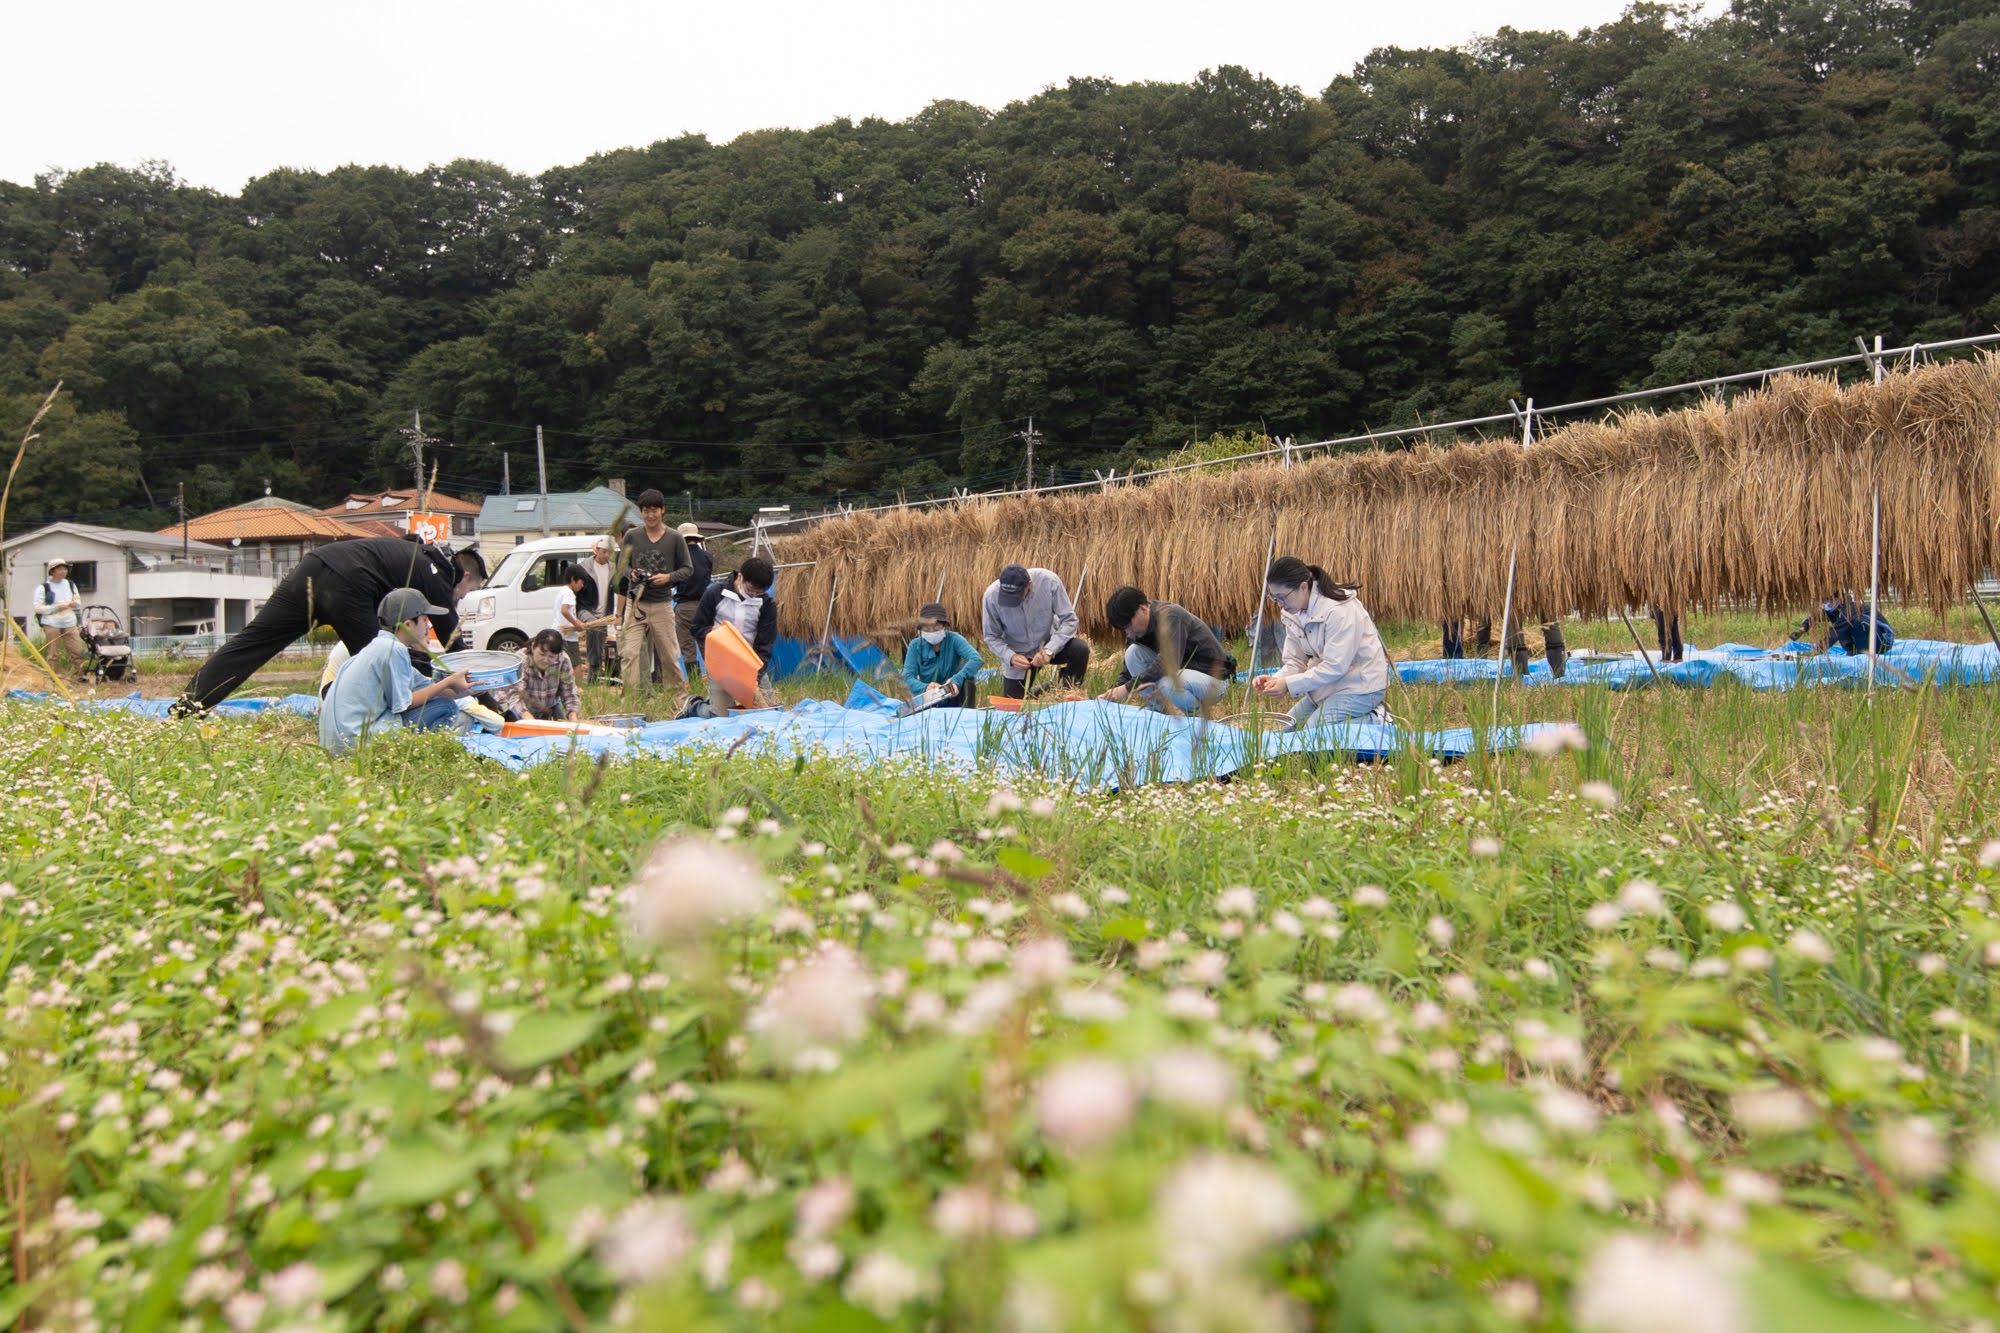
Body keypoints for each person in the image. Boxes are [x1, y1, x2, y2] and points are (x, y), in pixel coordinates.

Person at [173, 536, 471, 717]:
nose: (457, 598)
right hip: (349, 584)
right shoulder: (435, 574)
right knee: (380, 663)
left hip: (312, 568)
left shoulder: (407, 557)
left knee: (252, 643)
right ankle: (349, 718)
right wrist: (487, 698)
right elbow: (454, 647)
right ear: (461, 577)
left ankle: (185, 711)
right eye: (462, 591)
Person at [318, 588, 474, 754]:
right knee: (447, 707)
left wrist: (471, 688)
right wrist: (448, 681)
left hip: (335, 744)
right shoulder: (393, 650)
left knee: (443, 701)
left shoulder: (378, 647)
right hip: (356, 743)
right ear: (408, 625)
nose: (428, 626)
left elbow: (428, 687)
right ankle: (421, 756)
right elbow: (404, 705)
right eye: (424, 619)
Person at [1250, 556, 1391, 727]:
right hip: (1327, 687)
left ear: (1303, 587)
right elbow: (1295, 661)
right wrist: (1276, 679)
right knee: (1283, 728)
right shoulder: (1291, 613)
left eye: (1282, 597)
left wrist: (1288, 684)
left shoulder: (1339, 610)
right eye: (1274, 598)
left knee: (1313, 734)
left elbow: (1335, 666)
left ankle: (1376, 720)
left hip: (1361, 686)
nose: (1280, 604)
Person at [1101, 585, 1235, 714]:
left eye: (1129, 625)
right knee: (1132, 653)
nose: (1128, 631)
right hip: (1182, 674)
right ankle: (1159, 712)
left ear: (1143, 609)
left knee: (1169, 683)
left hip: (1213, 679)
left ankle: (1197, 719)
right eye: (1124, 628)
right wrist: (1112, 694)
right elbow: (1127, 673)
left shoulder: (1171, 616)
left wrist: (1127, 688)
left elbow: (1168, 663)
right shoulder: (1135, 632)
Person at [619, 490, 693, 693]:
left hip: (662, 603)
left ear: (662, 510)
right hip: (636, 604)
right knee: (629, 653)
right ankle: (631, 700)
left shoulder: (675, 537)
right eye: (645, 511)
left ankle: (678, 699)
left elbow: (688, 569)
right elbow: (621, 566)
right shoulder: (632, 536)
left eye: (654, 510)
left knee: (669, 654)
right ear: (640, 513)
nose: (650, 515)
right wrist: (631, 573)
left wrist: (668, 577)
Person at [981, 563, 1088, 699]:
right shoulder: (991, 596)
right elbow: (991, 636)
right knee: (1013, 708)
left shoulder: (1049, 582)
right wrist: (1011, 657)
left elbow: (1069, 620)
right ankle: (1038, 693)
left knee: (1080, 649)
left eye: (1017, 597)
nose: (1015, 602)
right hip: (1017, 654)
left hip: (1047, 643)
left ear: (1029, 586)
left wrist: (1049, 650)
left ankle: (1063, 694)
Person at [690, 556, 777, 715]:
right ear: (740, 577)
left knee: (767, 711)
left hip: (750, 662)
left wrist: (755, 676)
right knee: (721, 715)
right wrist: (711, 632)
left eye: (759, 593)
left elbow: (765, 644)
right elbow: (696, 627)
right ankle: (695, 707)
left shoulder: (767, 604)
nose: (753, 595)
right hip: (721, 662)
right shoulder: (715, 594)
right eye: (750, 590)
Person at [901, 602, 983, 709]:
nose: (931, 632)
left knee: (967, 682)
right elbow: (907, 677)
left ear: (944, 626)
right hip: (928, 700)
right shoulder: (915, 646)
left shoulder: (954, 639)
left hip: (954, 696)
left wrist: (956, 680)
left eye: (936, 628)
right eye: (926, 629)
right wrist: (925, 687)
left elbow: (976, 659)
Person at [501, 629, 582, 721]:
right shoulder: (521, 661)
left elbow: (569, 693)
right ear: (533, 647)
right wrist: (528, 718)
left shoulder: (563, 660)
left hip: (549, 706)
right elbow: (515, 696)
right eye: (542, 654)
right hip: (518, 708)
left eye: (551, 657)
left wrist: (573, 716)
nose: (545, 660)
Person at [671, 521, 714, 680]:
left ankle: (695, 682)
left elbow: (673, 581)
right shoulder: (707, 557)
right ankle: (714, 682)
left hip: (685, 605)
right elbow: (708, 578)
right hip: (704, 606)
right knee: (706, 646)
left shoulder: (678, 558)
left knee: (688, 648)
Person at [32, 558, 87, 675]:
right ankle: (54, 676)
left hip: (69, 622)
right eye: (60, 569)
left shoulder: (70, 585)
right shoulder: (43, 588)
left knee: (77, 650)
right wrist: (57, 607)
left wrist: (73, 604)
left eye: (65, 569)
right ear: (52, 571)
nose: (63, 571)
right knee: (53, 653)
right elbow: (38, 608)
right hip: (51, 623)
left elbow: (78, 601)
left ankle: (80, 675)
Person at [1801, 596, 1895, 654]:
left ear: (1837, 599)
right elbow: (1815, 616)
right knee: (1843, 627)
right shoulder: (1835, 610)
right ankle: (1854, 652)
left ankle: (1863, 653)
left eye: (1826, 601)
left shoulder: (1850, 609)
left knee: (1852, 624)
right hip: (1867, 638)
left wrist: (1817, 650)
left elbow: (1834, 634)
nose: (1824, 604)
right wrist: (1803, 628)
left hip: (1883, 641)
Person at [584, 536, 618, 683]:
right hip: (591, 612)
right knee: (592, 645)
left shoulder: (612, 567)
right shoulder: (586, 567)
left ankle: (596, 677)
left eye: (608, 552)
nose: (606, 555)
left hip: (605, 613)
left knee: (601, 642)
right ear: (596, 550)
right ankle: (592, 677)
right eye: (603, 552)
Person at [552, 563, 595, 666]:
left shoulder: (563, 591)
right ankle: (578, 683)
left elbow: (568, 613)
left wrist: (578, 622)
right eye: (581, 582)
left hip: (558, 634)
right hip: (568, 637)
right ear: (573, 579)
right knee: (575, 665)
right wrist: (576, 624)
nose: (582, 585)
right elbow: (564, 610)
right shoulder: (569, 593)